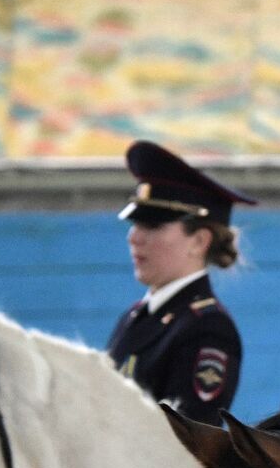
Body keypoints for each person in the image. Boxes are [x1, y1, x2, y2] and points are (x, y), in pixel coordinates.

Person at [108, 140, 256, 423]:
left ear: (199, 241)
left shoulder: (207, 329)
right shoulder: (135, 317)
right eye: (136, 225)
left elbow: (186, 440)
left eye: (152, 225)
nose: (134, 237)